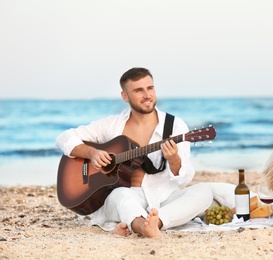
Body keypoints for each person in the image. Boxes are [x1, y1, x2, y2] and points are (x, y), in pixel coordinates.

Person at [55, 67, 213, 238]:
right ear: (125, 96)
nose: (147, 95)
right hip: (125, 195)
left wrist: (174, 159)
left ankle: (155, 223)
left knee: (203, 193)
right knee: (121, 195)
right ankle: (143, 225)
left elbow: (185, 178)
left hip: (163, 197)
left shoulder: (175, 126)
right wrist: (92, 153)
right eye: (139, 90)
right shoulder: (113, 125)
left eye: (150, 88)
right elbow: (64, 138)